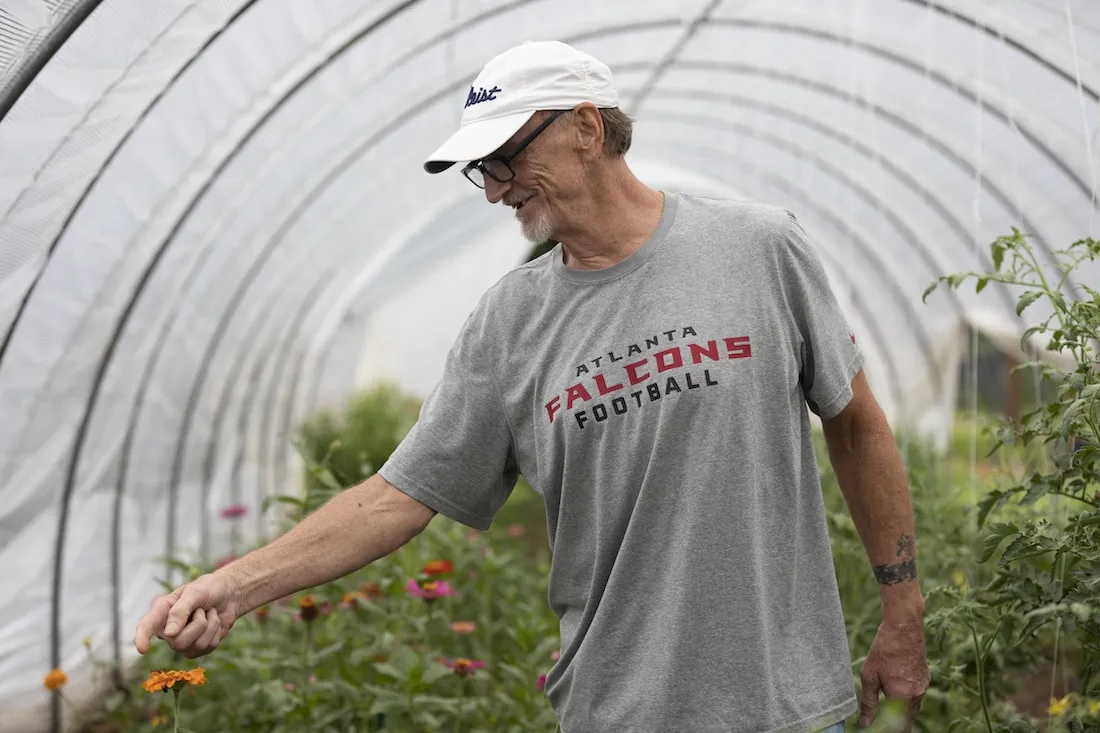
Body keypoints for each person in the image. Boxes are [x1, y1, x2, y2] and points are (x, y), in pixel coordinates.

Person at [134, 40, 929, 732]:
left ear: (586, 127)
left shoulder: (758, 248)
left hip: (791, 706)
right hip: (619, 713)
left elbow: (856, 426)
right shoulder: (509, 324)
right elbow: (395, 496)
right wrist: (236, 585)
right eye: (481, 170)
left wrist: (903, 617)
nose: (493, 189)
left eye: (506, 159)